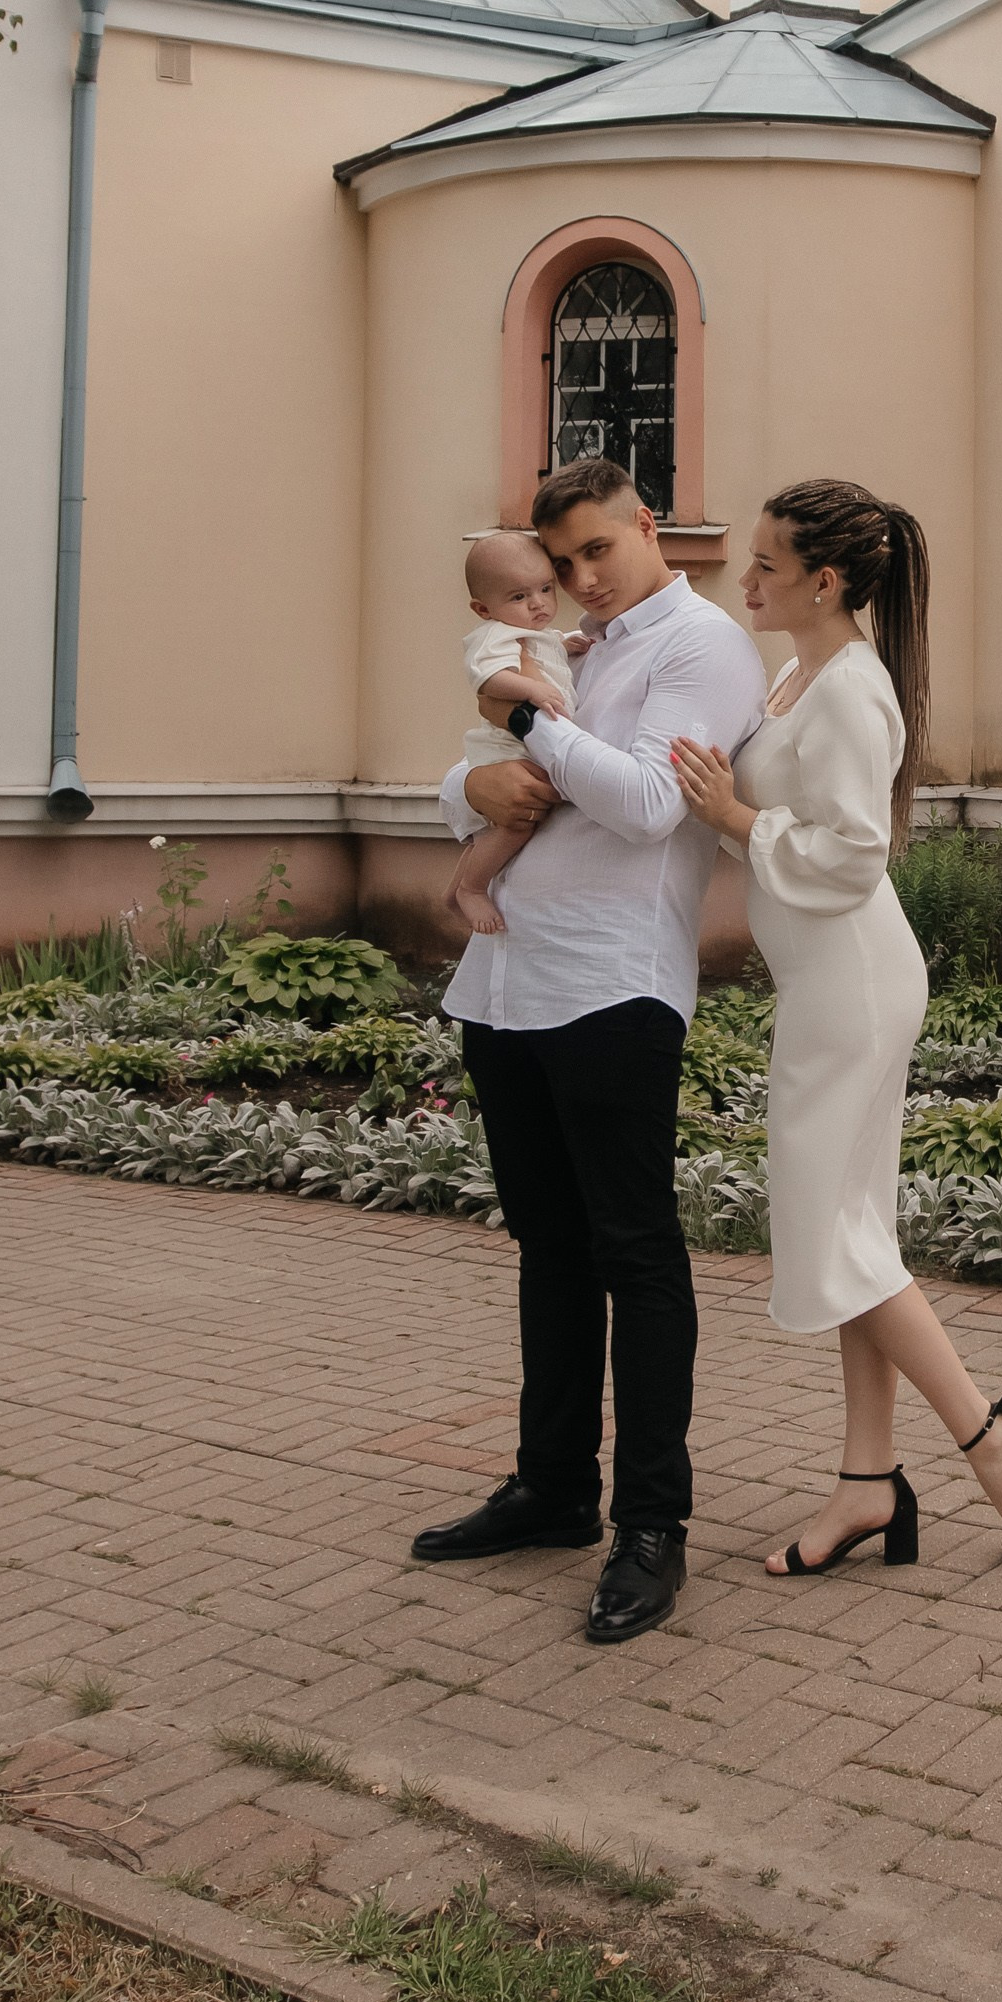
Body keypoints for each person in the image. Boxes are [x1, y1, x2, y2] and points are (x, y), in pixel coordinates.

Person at [672, 479, 1002, 1578]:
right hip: (826, 983)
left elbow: (854, 855)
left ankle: (991, 1434)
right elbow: (783, 829)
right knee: (855, 1231)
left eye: (764, 564)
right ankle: (865, 1482)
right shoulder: (797, 677)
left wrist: (732, 815)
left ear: (824, 581)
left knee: (831, 1234)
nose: (744, 579)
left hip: (851, 986)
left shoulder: (852, 690)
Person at [413, 458, 764, 1646]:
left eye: (596, 551)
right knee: (547, 1248)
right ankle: (553, 1486)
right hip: (507, 983)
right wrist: (474, 779)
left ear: (645, 525)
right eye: (560, 563)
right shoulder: (574, 648)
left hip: (612, 987)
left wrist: (521, 720)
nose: (579, 578)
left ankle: (651, 1524)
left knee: (635, 1253)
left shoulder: (701, 648)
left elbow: (648, 805)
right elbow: (482, 793)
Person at [445, 529, 585, 938]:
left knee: (492, 831)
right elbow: (488, 678)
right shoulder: (494, 636)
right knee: (517, 823)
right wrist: (532, 690)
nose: (538, 603)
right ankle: (472, 889)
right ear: (483, 609)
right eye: (519, 596)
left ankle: (455, 890)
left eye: (545, 588)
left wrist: (565, 643)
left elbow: (543, 649)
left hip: (519, 750)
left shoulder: (526, 633)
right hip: (507, 751)